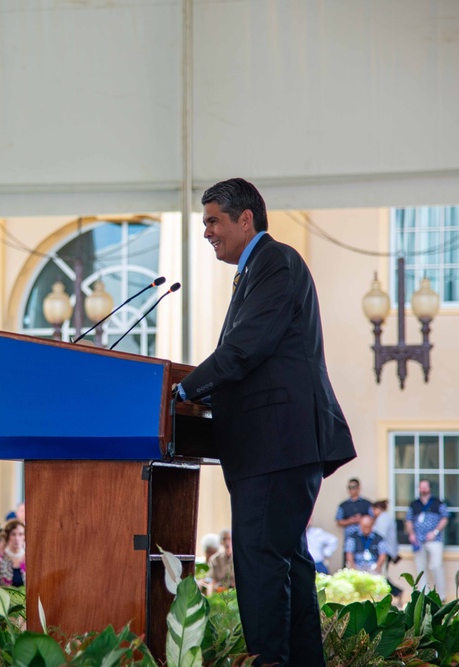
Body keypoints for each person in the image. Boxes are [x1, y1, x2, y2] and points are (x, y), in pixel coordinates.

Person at [176, 178, 356, 667]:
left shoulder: (275, 261)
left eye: (214, 219)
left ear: (245, 218)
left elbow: (243, 348)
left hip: (277, 444)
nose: (208, 231)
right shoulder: (256, 269)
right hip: (276, 445)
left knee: (259, 561)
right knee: (285, 561)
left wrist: (184, 390)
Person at [405, 479, 450, 596]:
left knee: (436, 566)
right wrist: (411, 534)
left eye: (425, 486)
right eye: (421, 487)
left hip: (434, 540)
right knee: (421, 568)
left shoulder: (438, 503)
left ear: (429, 488)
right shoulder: (414, 504)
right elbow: (408, 520)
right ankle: (423, 594)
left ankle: (441, 595)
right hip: (418, 541)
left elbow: (445, 518)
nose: (423, 489)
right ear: (419, 489)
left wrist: (434, 532)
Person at [0, 519, 25, 588]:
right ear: (7, 536)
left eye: (21, 534)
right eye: (13, 534)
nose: (17, 538)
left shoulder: (32, 559)